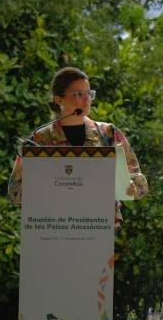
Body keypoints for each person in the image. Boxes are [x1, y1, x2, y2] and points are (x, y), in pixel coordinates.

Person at [9, 67, 148, 226]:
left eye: (89, 93)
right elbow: (15, 193)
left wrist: (132, 186)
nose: (87, 99)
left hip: (97, 227)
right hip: (53, 227)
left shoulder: (108, 133)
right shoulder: (40, 138)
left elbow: (138, 181)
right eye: (79, 94)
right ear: (58, 99)